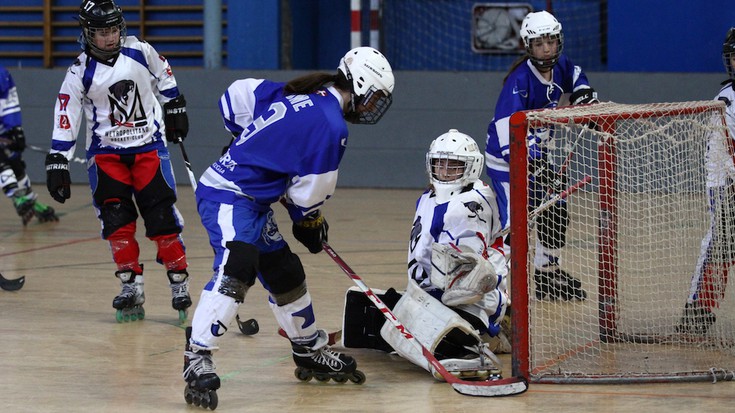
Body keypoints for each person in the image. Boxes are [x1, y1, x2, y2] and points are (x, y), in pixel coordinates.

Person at [181, 46, 394, 408]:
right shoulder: (332, 126)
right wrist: (310, 222)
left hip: (254, 201)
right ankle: (197, 356)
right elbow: (308, 195)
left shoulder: (297, 92)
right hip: (228, 196)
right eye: (373, 98)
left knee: (285, 273)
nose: (373, 107)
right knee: (238, 266)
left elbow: (235, 98)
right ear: (358, 85)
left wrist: (243, 140)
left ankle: (308, 349)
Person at [44, 0, 193, 323]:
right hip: (106, 154)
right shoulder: (79, 71)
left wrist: (175, 104)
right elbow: (66, 113)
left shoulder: (139, 50)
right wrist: (58, 158)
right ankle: (130, 284)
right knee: (116, 221)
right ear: (87, 33)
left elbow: (164, 74)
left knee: (162, 217)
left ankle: (178, 280)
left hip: (148, 148)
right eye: (101, 32)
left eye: (113, 30)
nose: (110, 37)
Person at [484, 10, 597, 301]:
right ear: (528, 46)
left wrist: (584, 95)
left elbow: (576, 75)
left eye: (551, 41)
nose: (546, 48)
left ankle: (546, 273)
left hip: (537, 158)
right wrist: (534, 163)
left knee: (556, 211)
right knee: (514, 224)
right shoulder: (519, 81)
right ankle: (497, 291)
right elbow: (506, 129)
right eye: (539, 43)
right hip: (508, 161)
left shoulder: (560, 68)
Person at [677, 27, 735, 335]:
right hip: (726, 181)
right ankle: (698, 307)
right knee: (720, 243)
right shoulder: (725, 101)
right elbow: (726, 155)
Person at [0, 66, 59, 226]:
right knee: (2, 163)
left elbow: (9, 100)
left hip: (3, 130)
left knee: (16, 164)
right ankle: (18, 198)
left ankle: (31, 203)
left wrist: (15, 129)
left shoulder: (2, 74)